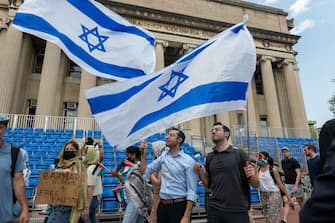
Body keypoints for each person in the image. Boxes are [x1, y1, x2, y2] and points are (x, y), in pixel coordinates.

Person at [194, 122, 259, 223]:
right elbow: (209, 184)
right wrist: (201, 173)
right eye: (212, 131)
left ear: (226, 134)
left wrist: (253, 175)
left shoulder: (239, 154)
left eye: (217, 129)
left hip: (237, 209)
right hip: (215, 210)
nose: (213, 132)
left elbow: (255, 184)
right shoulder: (210, 157)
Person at [144, 127, 198, 223]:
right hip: (162, 206)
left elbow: (192, 191)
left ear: (179, 140)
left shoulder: (188, 161)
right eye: (167, 134)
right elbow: (147, 170)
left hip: (179, 206)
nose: (167, 137)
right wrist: (143, 153)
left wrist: (186, 216)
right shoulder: (163, 156)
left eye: (171, 135)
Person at [299, 119, 335, 223]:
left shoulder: (321, 159)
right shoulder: (309, 161)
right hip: (316, 186)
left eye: (306, 150)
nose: (304, 151)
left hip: (325, 189)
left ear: (311, 149)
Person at [46, 140, 88, 223]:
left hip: (70, 205)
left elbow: (82, 184)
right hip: (56, 203)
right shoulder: (58, 164)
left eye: (72, 149)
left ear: (76, 151)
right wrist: (61, 172)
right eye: (67, 149)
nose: (68, 151)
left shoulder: (79, 165)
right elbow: (49, 179)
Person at [0, 116, 29, 223]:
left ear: (4, 130)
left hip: (6, 215)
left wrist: (25, 209)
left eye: (0, 127)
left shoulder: (15, 153)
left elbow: (18, 183)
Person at [111, 143, 147, 223]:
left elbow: (130, 186)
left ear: (134, 155)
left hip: (135, 201)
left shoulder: (137, 167)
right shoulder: (136, 166)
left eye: (128, 155)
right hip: (136, 200)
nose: (127, 158)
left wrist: (118, 176)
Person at [257, 151, 291, 223]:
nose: (258, 159)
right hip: (263, 194)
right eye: (258, 157)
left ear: (266, 158)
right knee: (268, 216)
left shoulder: (273, 169)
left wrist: (287, 196)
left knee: (272, 214)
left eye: (260, 157)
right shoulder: (258, 170)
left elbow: (280, 184)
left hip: (274, 193)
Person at [78, 146, 103, 223]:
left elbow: (90, 188)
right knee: (92, 219)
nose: (83, 155)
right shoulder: (95, 167)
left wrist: (86, 208)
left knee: (85, 219)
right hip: (94, 199)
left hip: (90, 199)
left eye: (85, 153)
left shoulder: (91, 169)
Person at [281, 147, 304, 223]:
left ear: (289, 152)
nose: (285, 153)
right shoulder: (282, 162)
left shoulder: (294, 161)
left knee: (300, 201)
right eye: (283, 152)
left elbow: (298, 173)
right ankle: (284, 220)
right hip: (288, 184)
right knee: (286, 201)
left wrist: (296, 186)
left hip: (297, 184)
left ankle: (306, 215)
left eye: (286, 151)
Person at [149, 140, 166, 223]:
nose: (152, 152)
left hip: (160, 197)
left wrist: (150, 174)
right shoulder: (157, 161)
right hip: (156, 196)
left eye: (153, 150)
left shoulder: (162, 162)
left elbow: (159, 183)